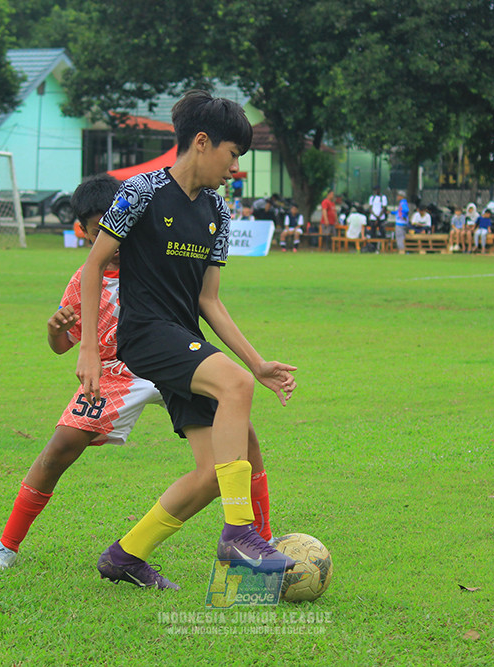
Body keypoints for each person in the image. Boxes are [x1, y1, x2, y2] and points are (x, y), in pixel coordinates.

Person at [0, 174, 277, 581]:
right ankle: (6, 545)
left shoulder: (154, 263)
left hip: (174, 358)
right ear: (83, 231)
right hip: (116, 373)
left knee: (243, 438)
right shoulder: (86, 278)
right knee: (59, 450)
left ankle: (262, 539)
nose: (113, 240)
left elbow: (206, 297)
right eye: (99, 228)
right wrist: (55, 330)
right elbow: (65, 344)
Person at [76, 90, 296, 584]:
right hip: (145, 333)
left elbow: (209, 301)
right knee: (234, 387)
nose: (235, 166)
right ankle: (240, 534)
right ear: (203, 142)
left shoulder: (217, 213)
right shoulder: (141, 191)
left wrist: (258, 362)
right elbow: (92, 268)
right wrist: (90, 349)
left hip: (182, 336)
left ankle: (125, 556)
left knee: (213, 470)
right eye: (233, 154)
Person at [367, 186, 388, 251]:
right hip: (373, 218)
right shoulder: (372, 198)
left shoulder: (383, 197)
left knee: (382, 232)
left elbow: (384, 208)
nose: (376, 191)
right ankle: (373, 247)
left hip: (381, 218)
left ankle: (383, 247)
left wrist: (378, 218)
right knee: (372, 233)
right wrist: (375, 217)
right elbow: (370, 208)